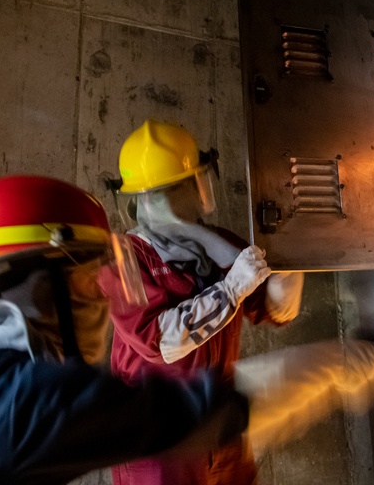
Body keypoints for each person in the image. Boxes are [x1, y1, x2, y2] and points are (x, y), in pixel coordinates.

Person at [0, 175, 249, 485]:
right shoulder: (23, 398)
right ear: (42, 288)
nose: (105, 302)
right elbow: (197, 414)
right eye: (93, 283)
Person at [104, 120, 304, 485]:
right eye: (189, 182)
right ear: (153, 197)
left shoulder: (219, 244)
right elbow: (160, 340)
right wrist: (230, 290)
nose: (198, 191)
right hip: (159, 439)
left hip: (220, 422)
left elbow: (276, 310)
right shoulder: (123, 258)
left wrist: (295, 260)